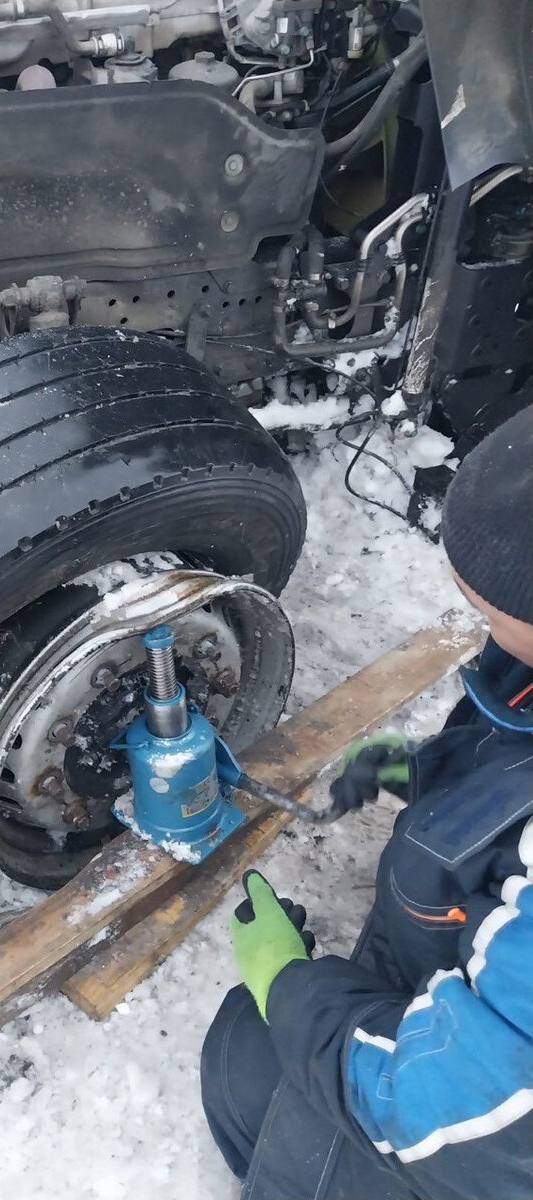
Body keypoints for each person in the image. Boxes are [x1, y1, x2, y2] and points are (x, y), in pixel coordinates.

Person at [200, 405, 533, 1200]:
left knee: (287, 1092)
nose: (474, 623)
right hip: (441, 984)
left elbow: (454, 1118)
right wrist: (428, 774)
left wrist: (290, 982)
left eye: (488, 613)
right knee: (241, 1057)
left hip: (465, 1143)